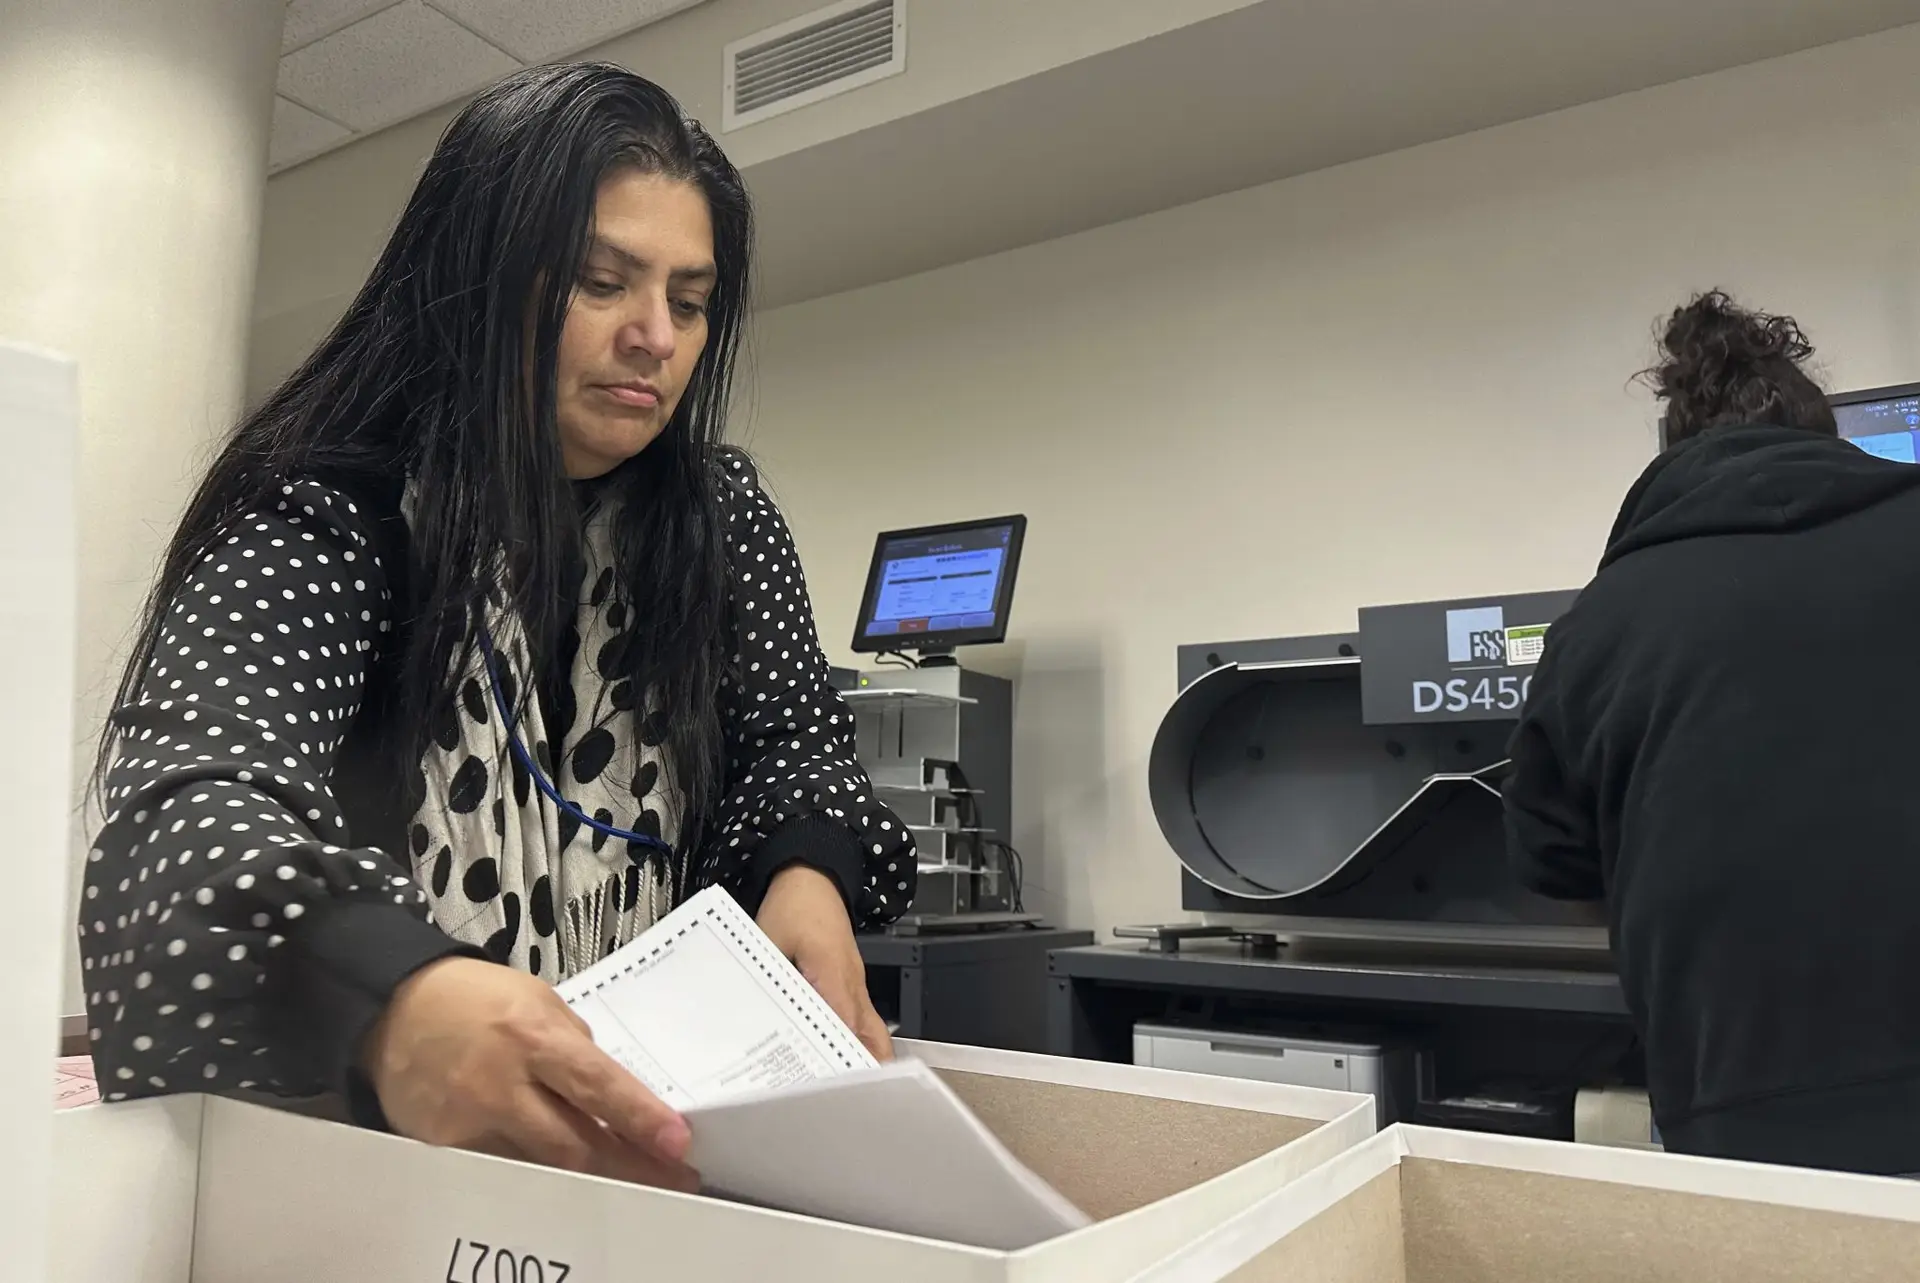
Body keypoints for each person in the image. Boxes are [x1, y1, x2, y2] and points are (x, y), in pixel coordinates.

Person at [80, 62, 916, 1188]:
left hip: (656, 1140)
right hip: (375, 1167)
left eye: (688, 300)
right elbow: (192, 809)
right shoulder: (330, 509)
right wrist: (395, 993)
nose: (655, 336)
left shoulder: (720, 521)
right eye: (600, 282)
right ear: (478, 282)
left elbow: (794, 747)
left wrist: (805, 872)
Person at [1504, 289, 1920, 1175]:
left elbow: (1553, 861)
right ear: (1829, 439)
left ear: (1675, 453)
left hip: (1744, 1111)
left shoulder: (1601, 621)